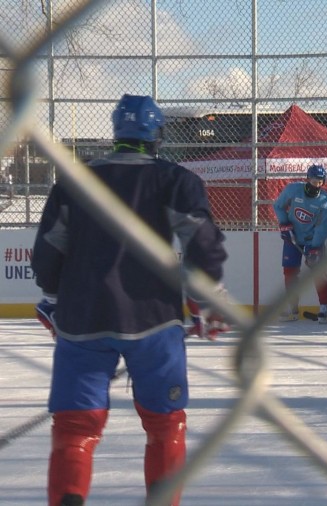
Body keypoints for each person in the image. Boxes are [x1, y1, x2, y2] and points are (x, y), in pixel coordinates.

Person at [31, 94, 228, 506]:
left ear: (116, 133)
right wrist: (206, 297)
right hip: (153, 318)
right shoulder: (176, 179)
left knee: (74, 428)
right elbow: (203, 242)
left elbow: (49, 249)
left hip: (82, 316)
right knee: (165, 424)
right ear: (156, 135)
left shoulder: (75, 179)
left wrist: (51, 297)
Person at [273, 164, 327, 323]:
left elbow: (324, 228)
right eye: (314, 180)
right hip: (293, 238)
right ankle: (292, 309)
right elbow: (278, 206)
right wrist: (284, 223)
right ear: (307, 178)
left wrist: (315, 248)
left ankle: (324, 309)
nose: (317, 184)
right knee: (290, 272)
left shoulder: (326, 202)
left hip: (313, 240)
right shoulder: (293, 189)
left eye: (320, 181)